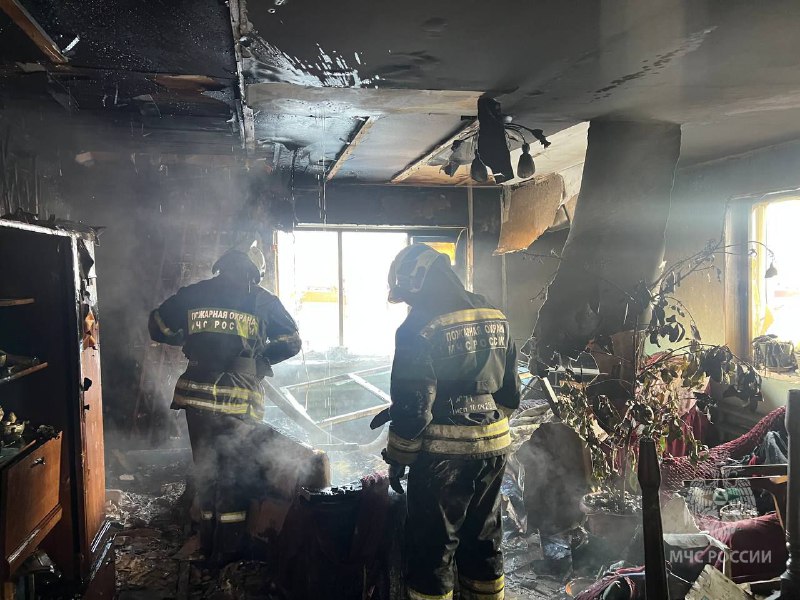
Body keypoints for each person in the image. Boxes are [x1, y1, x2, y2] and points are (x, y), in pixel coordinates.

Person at [381, 243, 520, 600]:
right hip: (495, 447)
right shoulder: (494, 314)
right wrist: (481, 426)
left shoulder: (418, 326)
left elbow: (414, 408)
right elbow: (510, 395)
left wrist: (398, 458)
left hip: (443, 457)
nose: (409, 304)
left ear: (414, 282)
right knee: (484, 540)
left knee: (433, 549)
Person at [148, 244, 301, 564]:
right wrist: (258, 361)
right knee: (233, 476)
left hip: (195, 396)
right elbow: (291, 342)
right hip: (238, 398)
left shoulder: (195, 293)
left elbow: (158, 325)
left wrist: (187, 338)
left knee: (206, 470)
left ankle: (206, 543)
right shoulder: (263, 300)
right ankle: (227, 553)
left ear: (223, 266)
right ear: (254, 272)